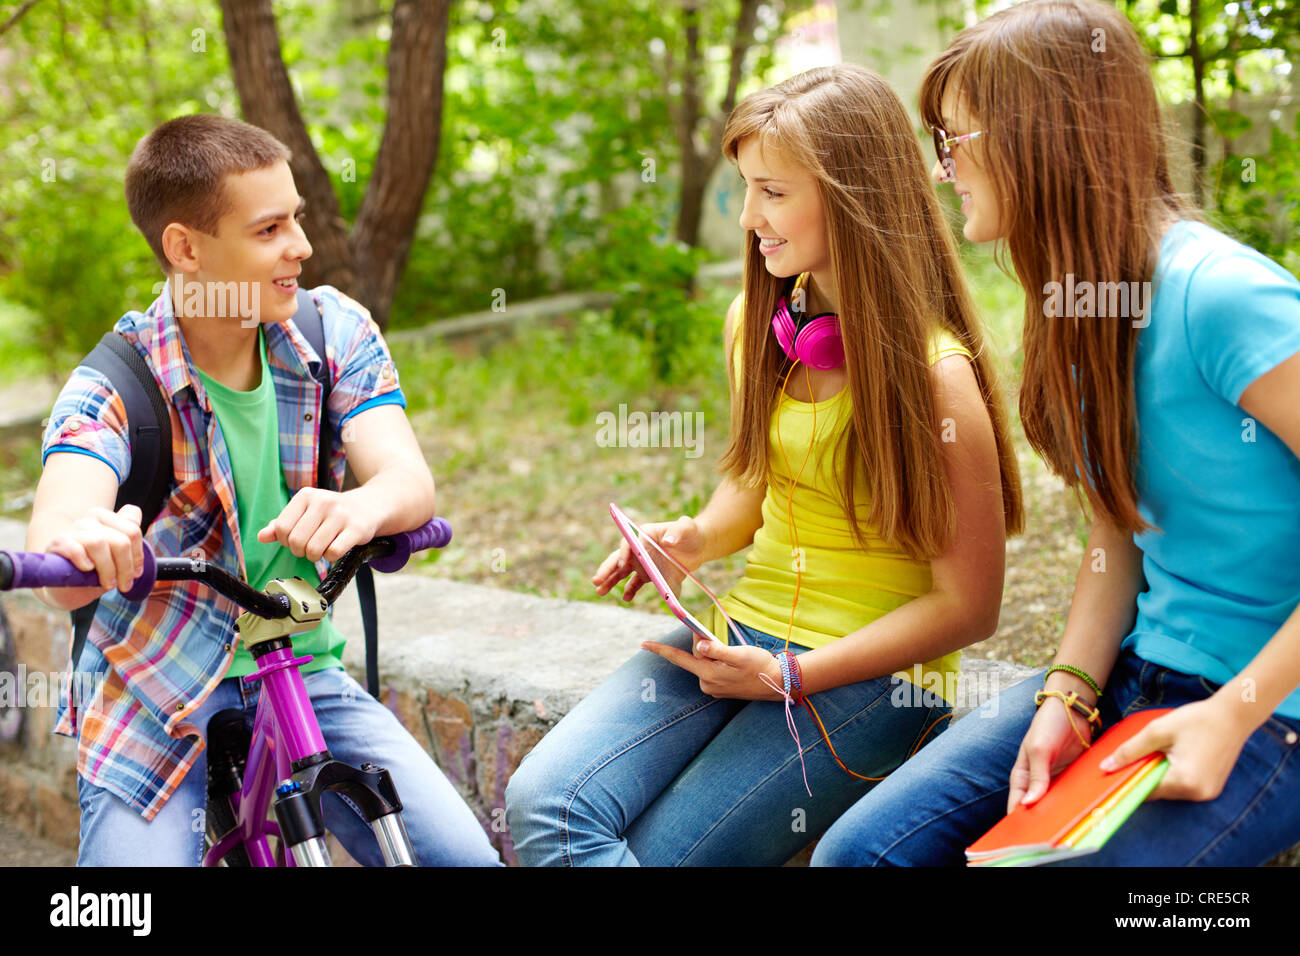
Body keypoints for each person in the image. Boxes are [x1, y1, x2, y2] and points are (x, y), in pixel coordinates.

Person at [812, 0, 1300, 867]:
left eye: (955, 139)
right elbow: (1118, 531)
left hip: (1270, 710)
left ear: (1042, 141)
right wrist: (1067, 697)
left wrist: (1234, 714)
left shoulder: (1220, 296)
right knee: (860, 855)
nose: (941, 168)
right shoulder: (1074, 309)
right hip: (1138, 675)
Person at [504, 64, 1025, 866]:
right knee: (546, 804)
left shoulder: (936, 377)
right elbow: (755, 483)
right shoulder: (759, 321)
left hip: (878, 680)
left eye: (772, 192)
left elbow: (970, 606)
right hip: (739, 634)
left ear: (854, 193)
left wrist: (795, 674)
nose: (748, 217)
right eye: (746, 188)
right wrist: (696, 538)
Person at [29, 113, 500, 866]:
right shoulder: (113, 386)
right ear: (185, 247)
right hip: (159, 697)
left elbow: (409, 482)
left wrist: (361, 505)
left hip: (302, 671)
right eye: (269, 229)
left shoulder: (333, 330)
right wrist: (85, 542)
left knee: (463, 860)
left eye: (298, 220)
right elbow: (58, 532)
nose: (302, 247)